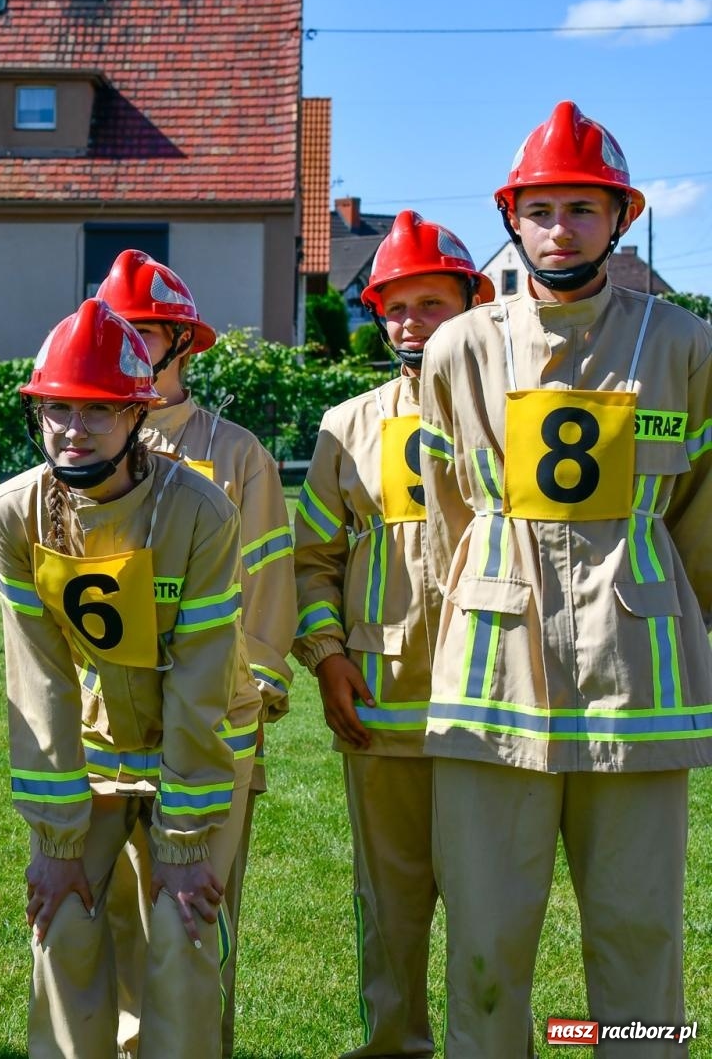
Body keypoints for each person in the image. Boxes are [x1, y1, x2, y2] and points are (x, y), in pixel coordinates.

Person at [419, 100, 712, 1056]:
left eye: (583, 209)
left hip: (638, 681)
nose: (560, 229)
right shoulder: (459, 347)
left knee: (639, 939)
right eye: (542, 209)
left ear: (620, 218)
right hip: (493, 682)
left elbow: (701, 518)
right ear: (513, 217)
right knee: (487, 946)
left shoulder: (684, 347)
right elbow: (449, 515)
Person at [0, 299, 259, 1057]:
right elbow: (37, 680)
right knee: (61, 919)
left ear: (137, 416)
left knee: (181, 927)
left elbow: (201, 683)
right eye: (57, 410)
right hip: (98, 742)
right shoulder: (12, 513)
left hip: (198, 741)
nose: (72, 430)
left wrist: (182, 843)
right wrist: (55, 839)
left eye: (97, 412)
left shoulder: (201, 512)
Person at [295, 212, 490, 1057]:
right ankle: (393, 1046)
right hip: (381, 704)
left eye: (432, 304)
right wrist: (328, 657)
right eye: (396, 307)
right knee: (391, 902)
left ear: (471, 304)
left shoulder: (515, 414)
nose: (412, 324)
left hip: (496, 702)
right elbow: (311, 560)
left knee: (494, 904)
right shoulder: (346, 424)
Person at [96, 250, 294, 1055]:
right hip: (106, 717)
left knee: (197, 908)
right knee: (112, 913)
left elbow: (271, 578)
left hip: (214, 718)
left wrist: (253, 700)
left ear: (184, 343)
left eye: (147, 334)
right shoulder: (84, 442)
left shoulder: (238, 453)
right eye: (118, 334)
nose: (133, 349)